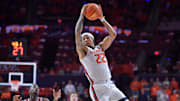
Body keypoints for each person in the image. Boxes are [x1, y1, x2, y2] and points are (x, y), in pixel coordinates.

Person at [75, 4, 128, 101]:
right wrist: (82, 15)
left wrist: (102, 19)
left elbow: (113, 34)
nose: (85, 39)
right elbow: (77, 32)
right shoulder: (83, 51)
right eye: (83, 39)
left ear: (93, 40)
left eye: (88, 37)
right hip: (98, 88)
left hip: (110, 85)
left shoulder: (100, 48)